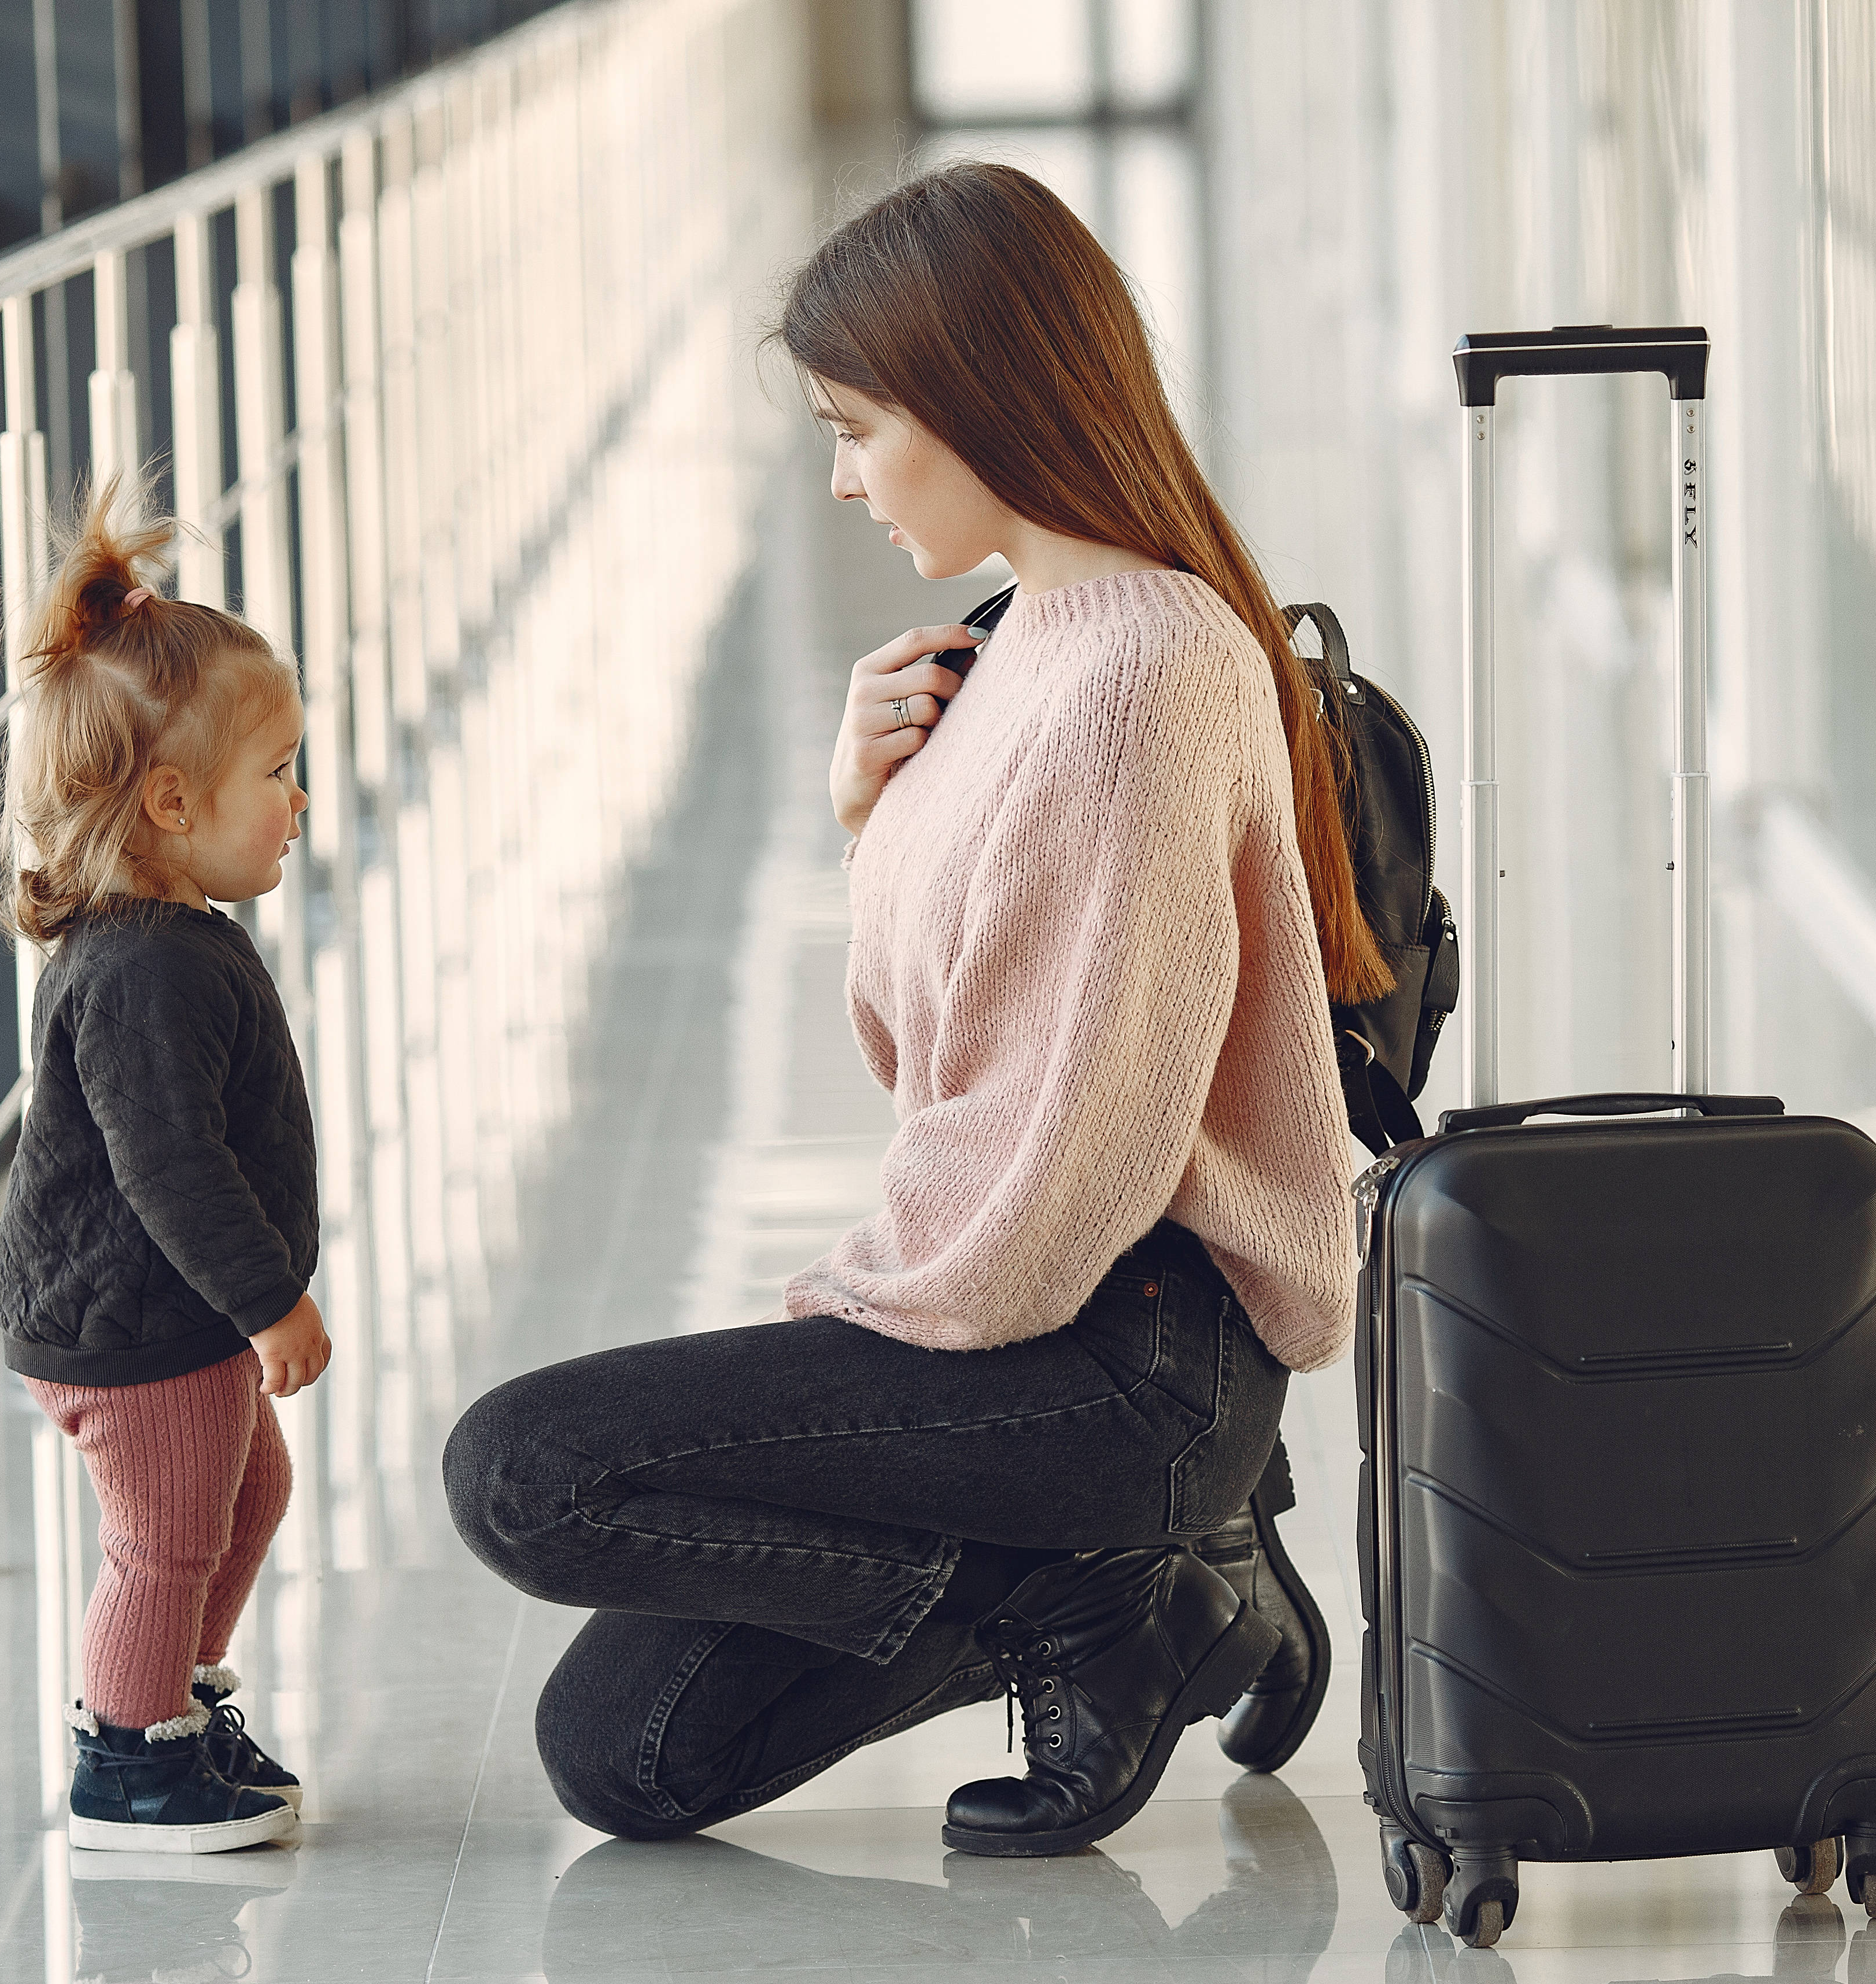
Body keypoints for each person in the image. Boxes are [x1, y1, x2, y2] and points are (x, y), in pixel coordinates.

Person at [446, 163, 1375, 1854]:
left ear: (975, 398)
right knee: (627, 1757)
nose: (841, 477)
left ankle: (1101, 1597)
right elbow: (927, 1046)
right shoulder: (1019, 638)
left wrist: (860, 1335)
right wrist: (876, 821)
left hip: (1121, 1346)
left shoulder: (1147, 673)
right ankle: (1128, 1587)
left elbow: (1077, 1144)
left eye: (859, 427)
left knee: (529, 1471)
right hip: (1039, 1312)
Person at [0, 480, 330, 1855]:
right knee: (170, 1534)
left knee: (251, 1495)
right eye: (277, 772)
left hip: (158, 1308)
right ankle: (130, 1761)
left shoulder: (170, 933)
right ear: (175, 801)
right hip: (138, 1322)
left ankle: (167, 1699)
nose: (297, 800)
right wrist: (269, 1306)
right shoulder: (143, 969)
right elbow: (169, 1168)